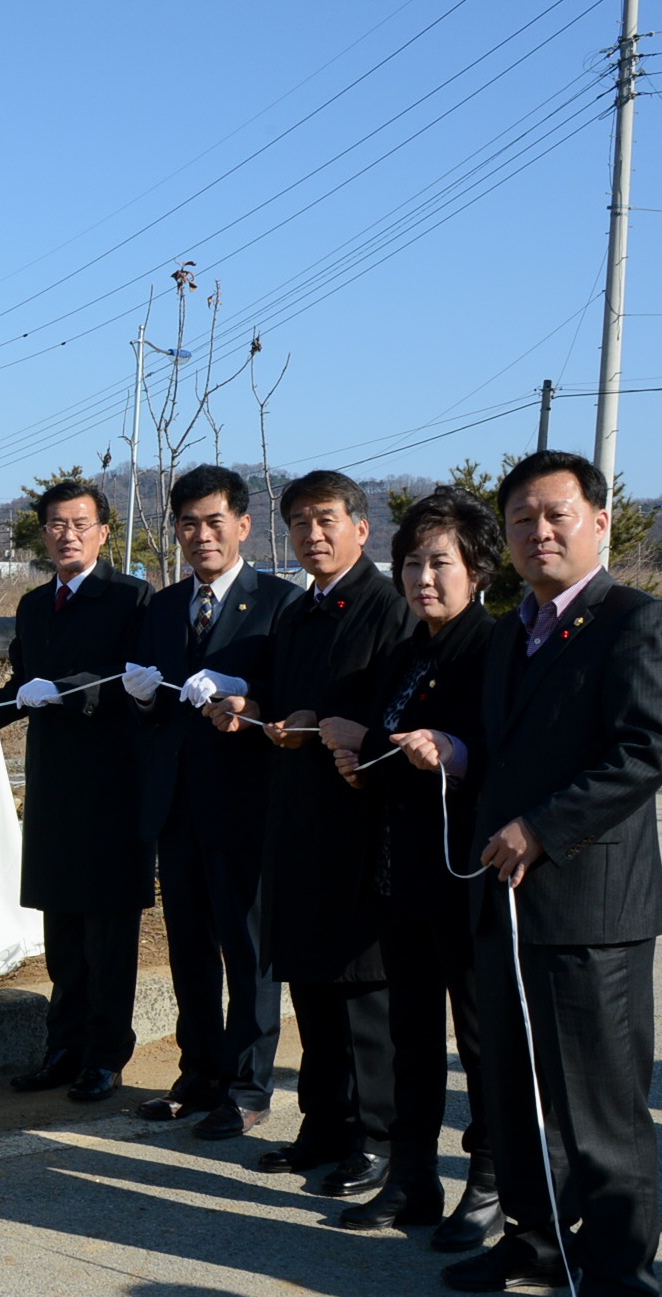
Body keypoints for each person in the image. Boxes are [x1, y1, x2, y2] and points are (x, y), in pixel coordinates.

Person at [440, 451, 662, 1297]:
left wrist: (542, 826)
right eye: (520, 521)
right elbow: (510, 750)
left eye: (556, 515)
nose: (538, 533)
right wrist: (458, 756)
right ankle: (537, 1243)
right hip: (504, 904)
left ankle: (622, 1281)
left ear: (599, 521)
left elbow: (646, 750)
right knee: (512, 1086)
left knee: (599, 1106)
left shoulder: (637, 622)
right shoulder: (512, 632)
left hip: (592, 908)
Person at [206, 470, 417, 1197]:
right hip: (295, 819)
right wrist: (251, 705)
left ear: (363, 528)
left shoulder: (390, 610)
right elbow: (276, 690)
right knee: (312, 989)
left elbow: (399, 716)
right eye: (298, 523)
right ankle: (323, 1124)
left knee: (363, 994)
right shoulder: (297, 611)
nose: (312, 536)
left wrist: (343, 731)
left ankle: (377, 1139)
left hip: (361, 823)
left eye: (326, 520)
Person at [0, 479, 153, 1104]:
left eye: (80, 523)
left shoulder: (131, 597)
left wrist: (68, 688)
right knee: (63, 933)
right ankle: (63, 1048)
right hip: (53, 786)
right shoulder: (30, 605)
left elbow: (131, 680)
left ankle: (105, 1057)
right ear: (43, 532)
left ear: (104, 531)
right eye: (55, 524)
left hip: (111, 785)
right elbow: (25, 684)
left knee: (108, 935)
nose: (67, 534)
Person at [316, 488, 501, 1248]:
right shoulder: (406, 652)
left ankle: (490, 1182)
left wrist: (412, 754)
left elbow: (495, 755)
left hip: (466, 879)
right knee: (414, 1034)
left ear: (479, 570)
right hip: (399, 876)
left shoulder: (493, 651)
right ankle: (411, 1176)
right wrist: (359, 757)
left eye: (441, 563)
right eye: (413, 563)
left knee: (481, 1038)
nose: (424, 578)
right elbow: (387, 748)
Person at [123, 466, 301, 1139]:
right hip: (177, 804)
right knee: (190, 947)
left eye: (214, 522)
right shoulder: (164, 607)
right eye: (189, 523)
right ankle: (198, 1073)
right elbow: (152, 707)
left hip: (247, 801)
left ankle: (250, 1085)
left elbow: (288, 699)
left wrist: (246, 699)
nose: (202, 536)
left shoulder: (280, 602)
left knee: (248, 948)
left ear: (243, 526)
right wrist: (141, 698)